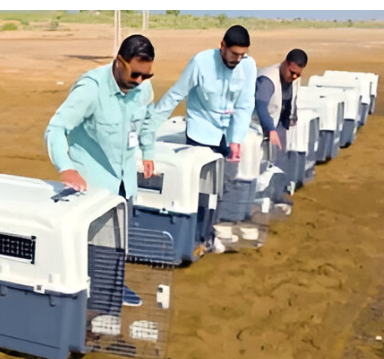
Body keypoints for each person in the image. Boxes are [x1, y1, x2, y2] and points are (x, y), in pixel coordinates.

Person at [44, 34, 157, 306]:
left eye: (147, 75)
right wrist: (66, 168)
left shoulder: (143, 89)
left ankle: (113, 286)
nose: (140, 81)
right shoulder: (90, 89)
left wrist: (148, 152)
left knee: (118, 243)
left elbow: (148, 121)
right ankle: (91, 298)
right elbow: (56, 129)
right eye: (136, 74)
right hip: (92, 184)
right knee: (93, 247)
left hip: (125, 181)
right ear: (120, 62)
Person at [150, 25, 257, 161]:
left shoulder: (248, 65)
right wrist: (148, 129)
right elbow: (175, 95)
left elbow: (245, 105)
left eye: (242, 55)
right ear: (223, 46)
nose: (238, 60)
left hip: (227, 137)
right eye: (235, 54)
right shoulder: (200, 62)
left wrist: (236, 139)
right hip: (200, 133)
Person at [252, 48, 308, 164]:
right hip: (255, 125)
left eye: (298, 74)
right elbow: (260, 106)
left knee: (279, 159)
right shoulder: (267, 80)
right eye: (292, 72)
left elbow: (290, 98)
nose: (294, 77)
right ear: (286, 63)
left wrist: (293, 116)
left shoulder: (294, 78)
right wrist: (271, 130)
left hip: (278, 122)